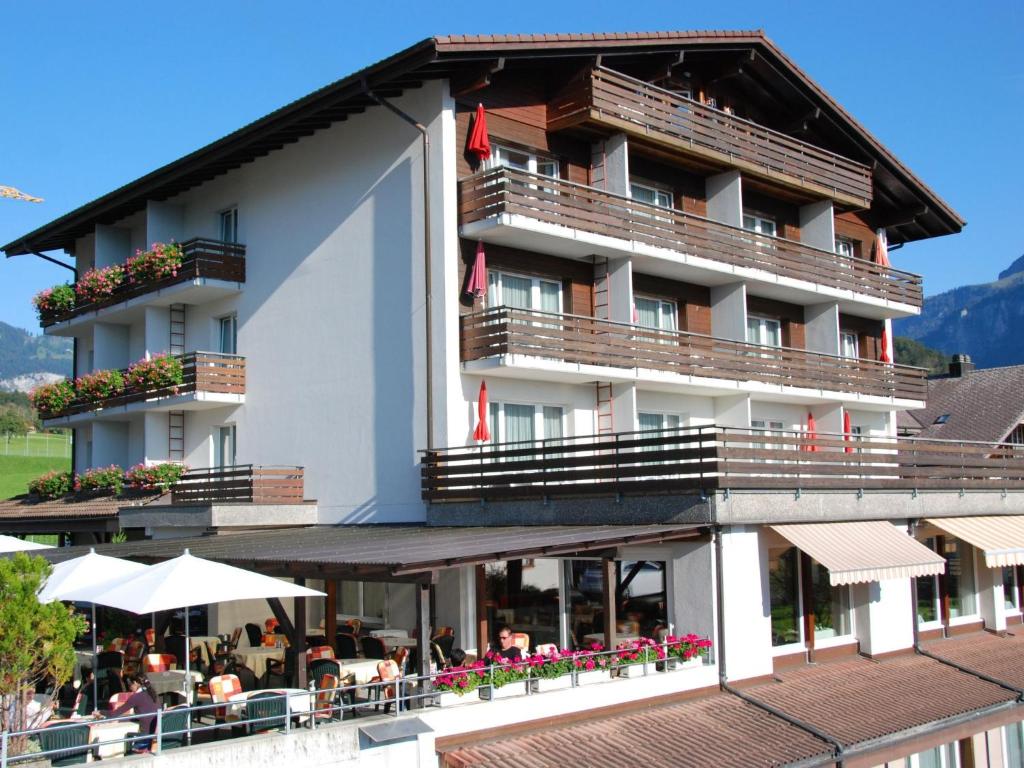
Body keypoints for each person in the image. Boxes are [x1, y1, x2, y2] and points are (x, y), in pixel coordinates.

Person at [109, 674, 159, 753]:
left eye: (129, 684)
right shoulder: (153, 694)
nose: (129, 688)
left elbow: (114, 714)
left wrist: (100, 712)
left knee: (124, 746)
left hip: (145, 739)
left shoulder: (136, 697)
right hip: (156, 739)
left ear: (135, 683)